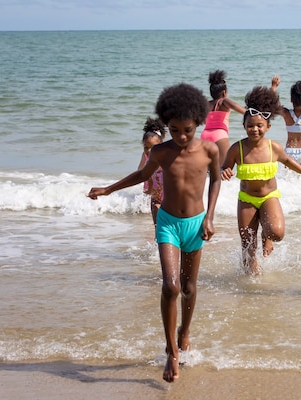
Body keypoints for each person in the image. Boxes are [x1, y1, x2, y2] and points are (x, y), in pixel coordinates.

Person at [87, 83, 221, 383]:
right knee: (170, 286)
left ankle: (184, 332)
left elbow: (215, 181)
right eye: (174, 130)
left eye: (186, 130)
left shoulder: (210, 150)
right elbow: (141, 175)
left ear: (197, 123)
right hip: (168, 223)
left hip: (196, 224)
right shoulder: (160, 151)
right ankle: (171, 352)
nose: (181, 136)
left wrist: (210, 216)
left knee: (189, 287)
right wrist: (109, 189)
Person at [221, 85, 301, 275]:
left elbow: (289, 162)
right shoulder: (237, 149)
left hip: (269, 196)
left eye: (259, 125)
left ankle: (266, 235)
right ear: (244, 126)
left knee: (276, 233)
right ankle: (253, 282)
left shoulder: (273, 147)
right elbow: (225, 166)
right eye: (250, 125)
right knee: (247, 246)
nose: (254, 129)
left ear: (267, 127)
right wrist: (224, 171)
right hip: (246, 199)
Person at [200, 70, 246, 164]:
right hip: (219, 135)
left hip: (204, 135)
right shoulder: (224, 101)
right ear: (224, 92)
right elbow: (237, 107)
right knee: (223, 168)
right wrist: (252, 113)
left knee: (207, 170)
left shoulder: (206, 104)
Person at [137, 117, 166, 225]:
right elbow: (140, 170)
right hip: (153, 189)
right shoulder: (145, 155)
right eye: (146, 147)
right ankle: (156, 236)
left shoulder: (165, 158)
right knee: (156, 222)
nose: (149, 151)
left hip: (164, 190)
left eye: (153, 147)